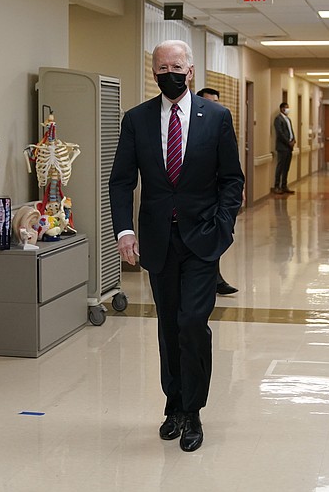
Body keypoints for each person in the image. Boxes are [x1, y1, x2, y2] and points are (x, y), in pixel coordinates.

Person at [109, 40, 244, 452]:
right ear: (153, 71)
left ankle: (195, 410)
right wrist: (124, 231)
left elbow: (231, 180)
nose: (169, 71)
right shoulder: (137, 119)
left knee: (191, 324)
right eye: (161, 66)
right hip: (157, 242)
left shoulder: (216, 117)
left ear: (191, 70)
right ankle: (174, 406)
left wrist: (223, 227)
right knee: (169, 327)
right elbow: (121, 181)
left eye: (177, 65)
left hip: (203, 241)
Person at [197, 87, 239, 296]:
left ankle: (216, 279)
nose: (215, 105)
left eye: (217, 101)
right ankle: (214, 280)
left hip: (218, 198)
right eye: (210, 101)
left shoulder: (221, 122)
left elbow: (231, 169)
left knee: (215, 239)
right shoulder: (192, 128)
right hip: (197, 201)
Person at [273, 102, 295, 194]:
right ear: (282, 109)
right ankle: (277, 186)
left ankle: (284, 185)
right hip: (282, 147)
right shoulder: (278, 119)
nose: (287, 109)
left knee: (286, 167)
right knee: (280, 167)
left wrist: (294, 139)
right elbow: (280, 133)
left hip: (289, 147)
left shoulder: (288, 119)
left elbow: (290, 131)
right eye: (286, 108)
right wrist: (288, 142)